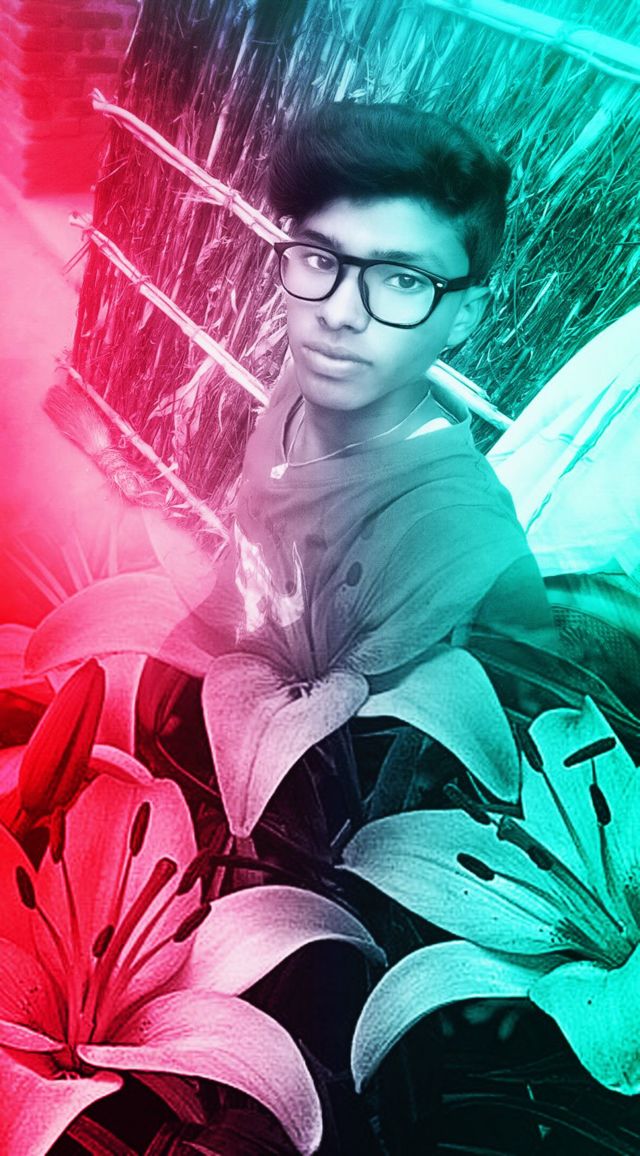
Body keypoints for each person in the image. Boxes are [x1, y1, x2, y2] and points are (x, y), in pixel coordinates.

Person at [220, 101, 556, 692]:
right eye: (320, 258)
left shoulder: (472, 553)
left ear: (464, 315)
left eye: (403, 279)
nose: (338, 313)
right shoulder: (297, 386)